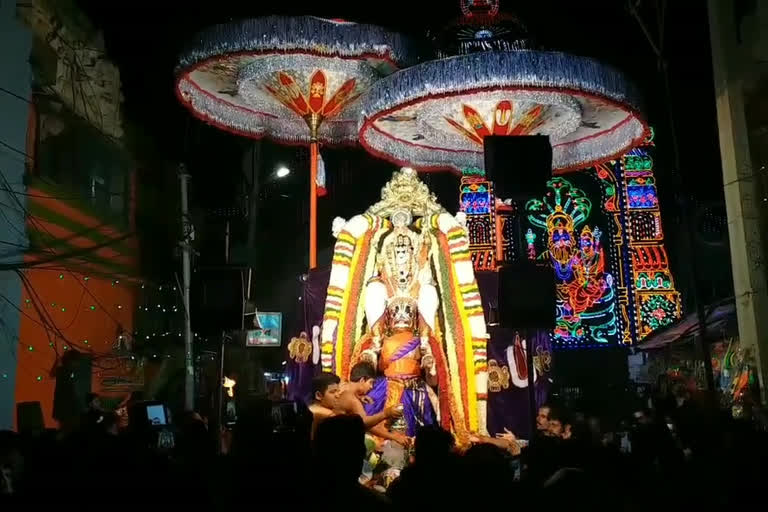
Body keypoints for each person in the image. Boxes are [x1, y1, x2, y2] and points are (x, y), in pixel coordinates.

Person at [336, 362, 407, 446]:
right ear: (362, 380)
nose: (371, 387)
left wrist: (393, 436)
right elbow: (364, 424)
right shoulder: (352, 400)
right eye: (370, 382)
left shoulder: (341, 386)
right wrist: (386, 413)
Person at [308, 373, 341, 438]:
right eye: (333, 392)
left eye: (338, 391)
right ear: (318, 395)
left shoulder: (309, 408)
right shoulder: (328, 415)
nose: (338, 395)